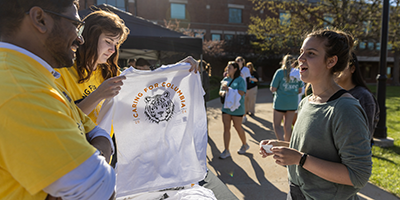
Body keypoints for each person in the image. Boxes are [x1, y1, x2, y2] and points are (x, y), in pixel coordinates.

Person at [0, 0, 116, 199]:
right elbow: (100, 189)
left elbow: (97, 132)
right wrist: (94, 155)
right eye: (76, 25)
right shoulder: (23, 89)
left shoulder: (38, 75)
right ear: (40, 19)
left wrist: (93, 156)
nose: (80, 40)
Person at [55, 10, 199, 166]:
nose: (112, 50)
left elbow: (147, 85)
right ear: (89, 38)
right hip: (71, 160)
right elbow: (61, 122)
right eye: (108, 41)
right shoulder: (60, 72)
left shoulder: (109, 72)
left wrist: (179, 69)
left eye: (116, 44)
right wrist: (98, 95)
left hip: (102, 159)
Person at [260, 29, 372, 200]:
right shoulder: (307, 101)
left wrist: (300, 159)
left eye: (310, 53)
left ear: (331, 61)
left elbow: (358, 175)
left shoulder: (346, 109)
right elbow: (315, 149)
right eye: (301, 52)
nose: (300, 59)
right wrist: (283, 147)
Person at [335, 52, 379, 145]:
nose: (335, 69)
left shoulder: (363, 96)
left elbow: (365, 137)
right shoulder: (330, 93)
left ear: (353, 68)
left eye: (341, 65)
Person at [270, 55, 304, 141]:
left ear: (283, 62)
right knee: (288, 126)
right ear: (294, 62)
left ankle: (281, 142)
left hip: (280, 102)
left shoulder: (280, 72)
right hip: (292, 103)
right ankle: (287, 145)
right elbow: (300, 90)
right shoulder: (297, 73)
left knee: (277, 125)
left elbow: (273, 89)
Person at [219, 61, 248, 159]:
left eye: (230, 68)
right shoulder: (225, 79)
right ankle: (226, 150)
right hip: (226, 108)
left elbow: (241, 93)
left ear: (235, 69)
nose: (227, 69)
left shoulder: (240, 80)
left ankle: (245, 144)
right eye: (227, 68)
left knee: (237, 127)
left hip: (237, 108)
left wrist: (229, 90)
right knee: (226, 128)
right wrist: (223, 92)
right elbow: (220, 92)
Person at [235, 56, 251, 123]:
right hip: (236, 88)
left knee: (243, 103)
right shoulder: (235, 69)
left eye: (239, 61)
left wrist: (247, 89)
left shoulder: (245, 69)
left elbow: (248, 79)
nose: (238, 62)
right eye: (237, 61)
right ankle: (237, 117)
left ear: (242, 61)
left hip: (243, 88)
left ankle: (244, 116)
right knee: (236, 102)